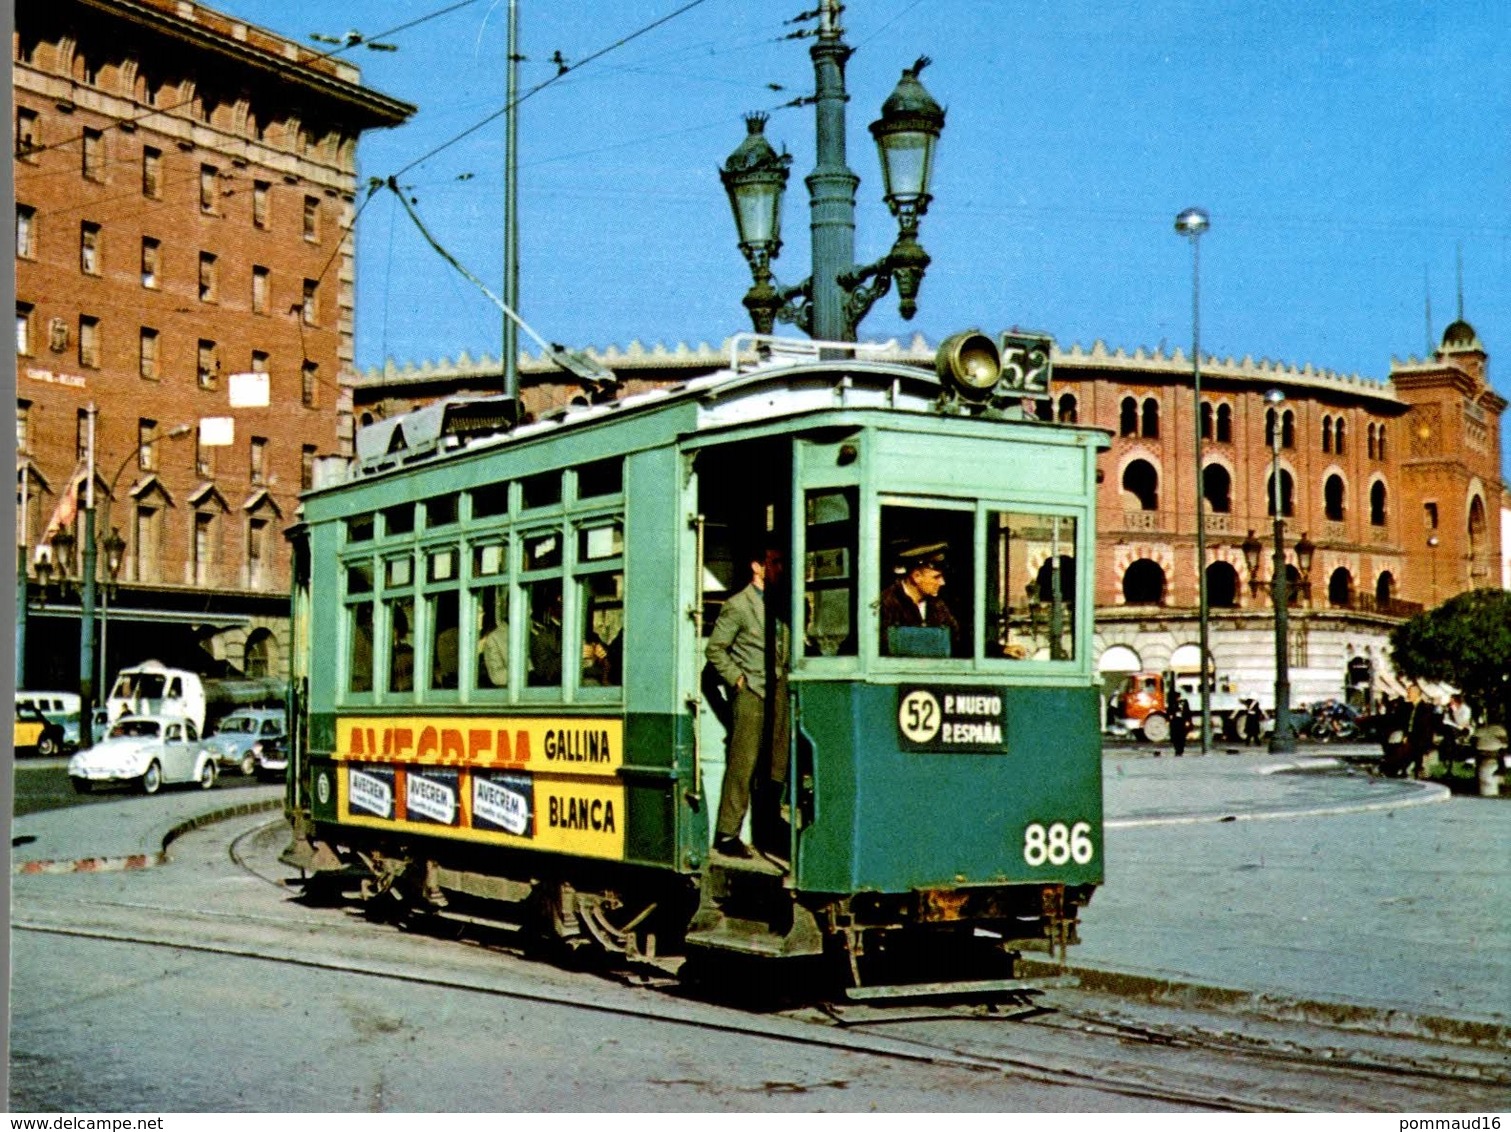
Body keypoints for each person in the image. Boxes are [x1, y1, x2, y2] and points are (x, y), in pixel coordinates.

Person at [705, 546, 789, 860]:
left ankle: (767, 828)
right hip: (752, 693)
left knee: (776, 762)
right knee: (744, 763)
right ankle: (728, 833)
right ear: (756, 566)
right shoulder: (739, 605)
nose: (780, 568)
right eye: (774, 562)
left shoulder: (781, 603)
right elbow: (715, 650)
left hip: (779, 692)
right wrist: (738, 680)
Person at [879, 541, 961, 656]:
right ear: (916, 576)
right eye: (936, 577)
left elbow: (954, 639)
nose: (942, 582)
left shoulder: (938, 606)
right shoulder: (886, 603)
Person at [1170, 692, 1190, 757]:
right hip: (1175, 721)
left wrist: (1187, 721)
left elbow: (1187, 711)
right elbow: (1170, 711)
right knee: (1175, 736)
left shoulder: (1184, 702)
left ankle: (1180, 750)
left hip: (1182, 721)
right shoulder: (1172, 703)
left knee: (1182, 736)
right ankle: (1177, 749)